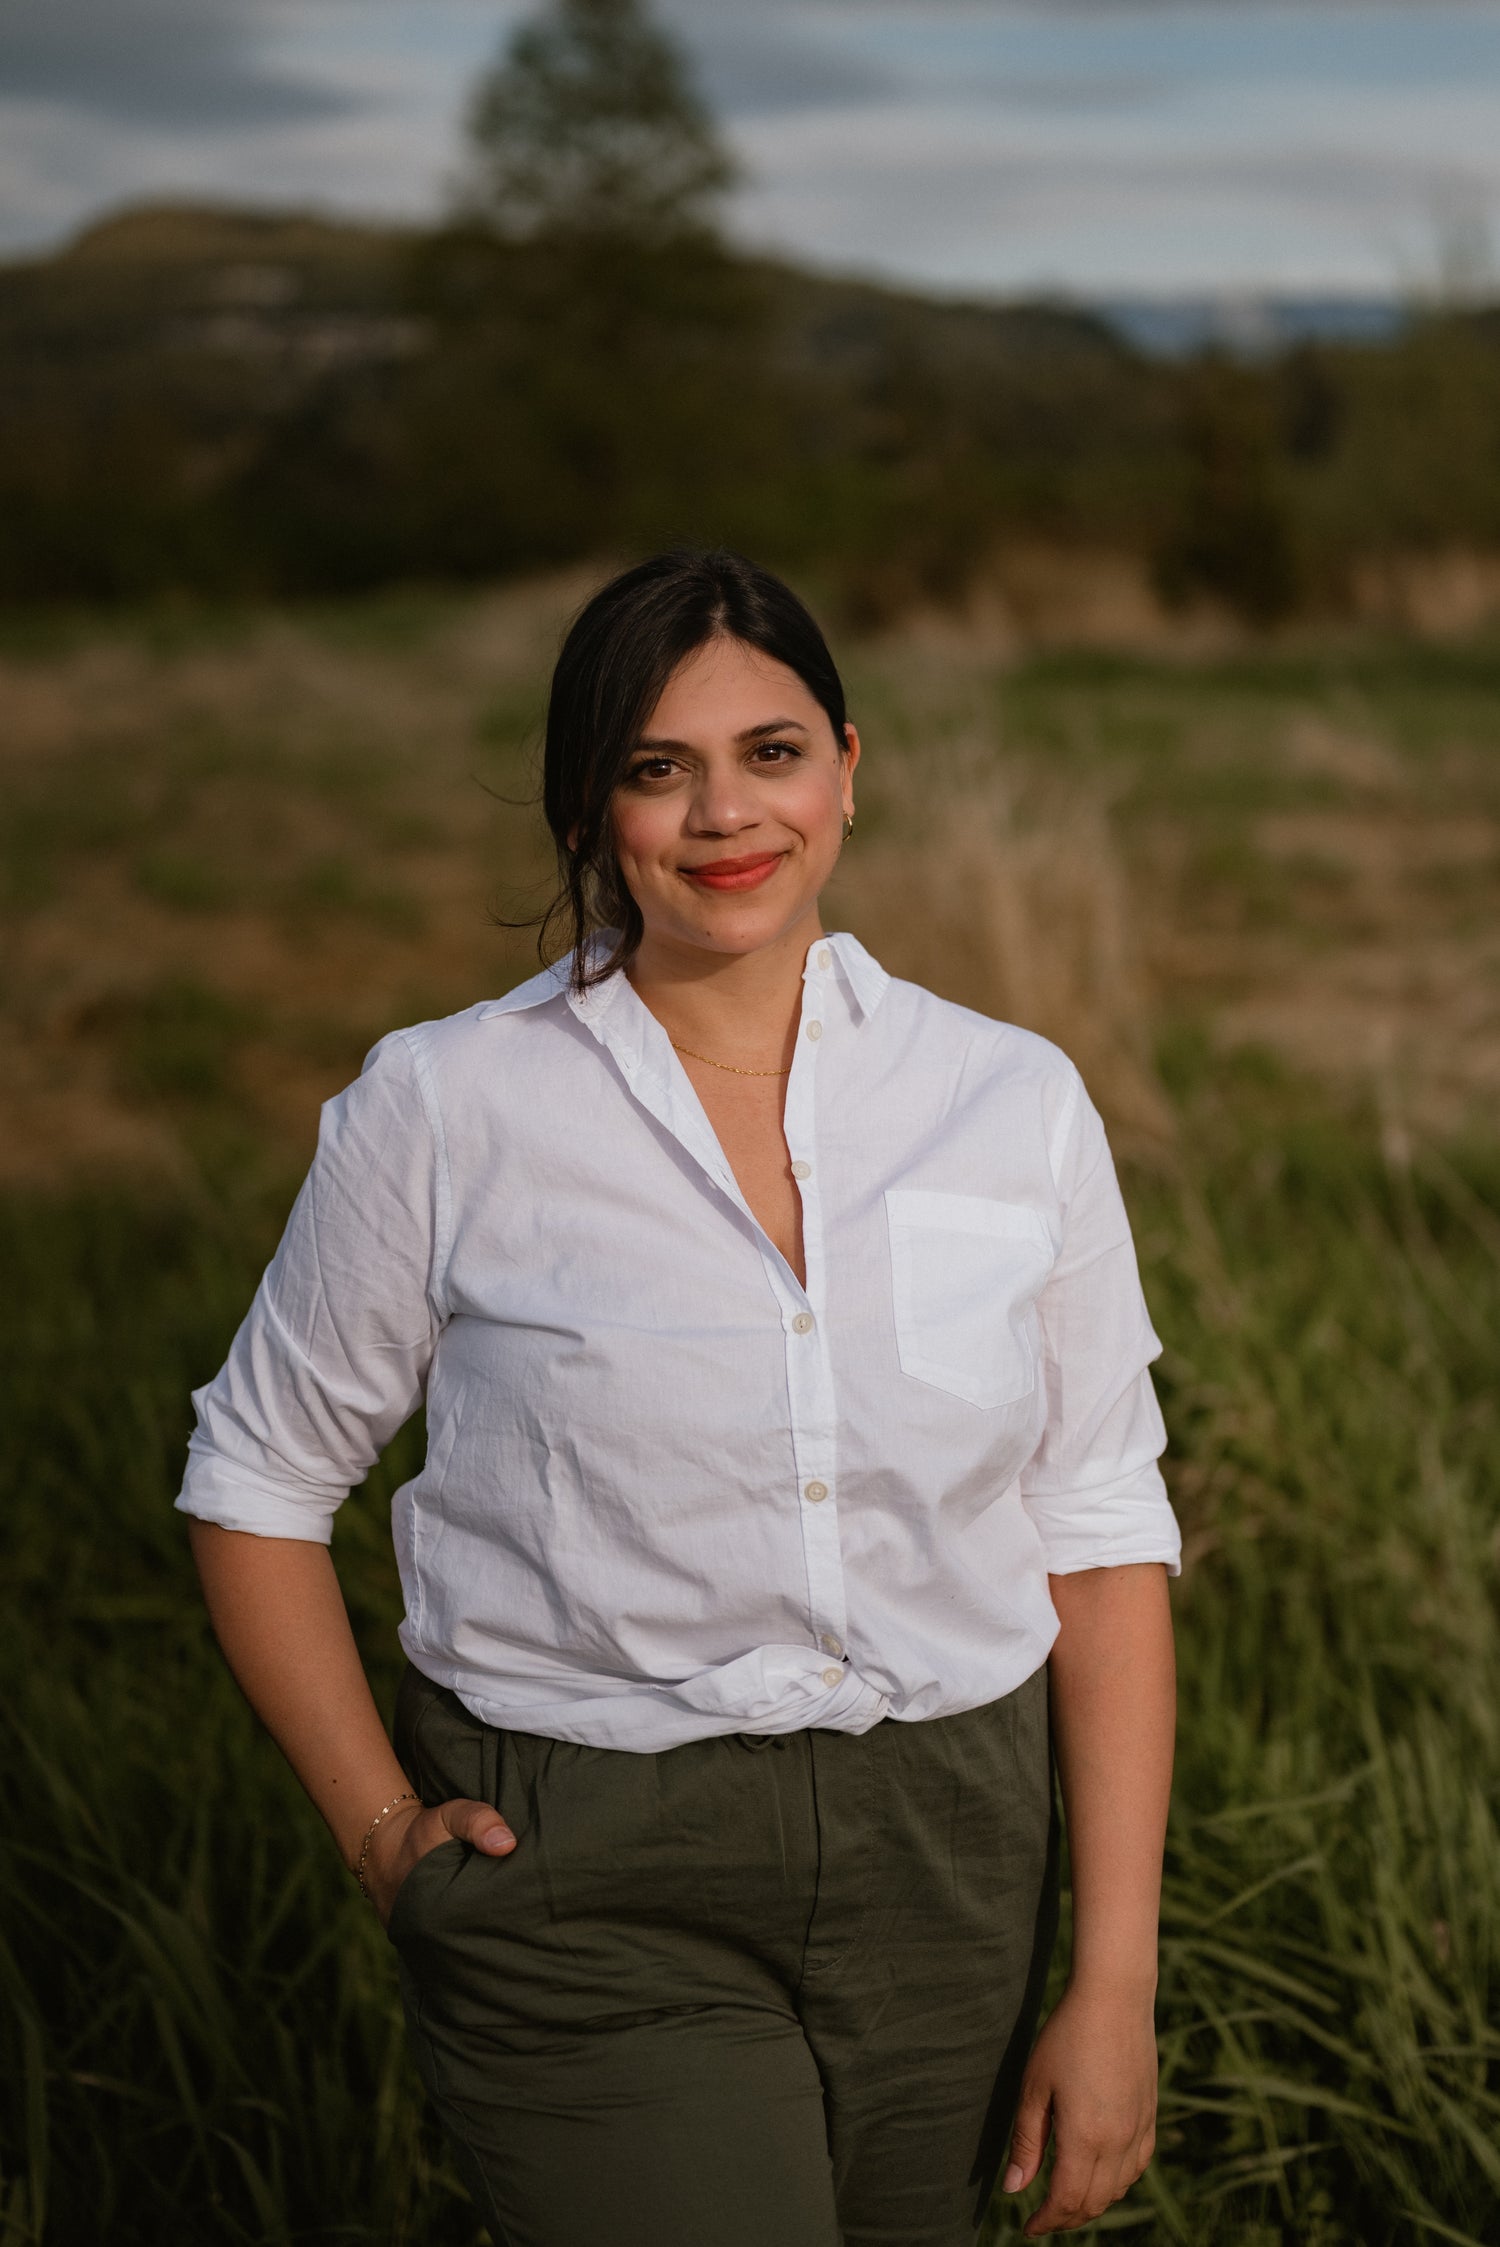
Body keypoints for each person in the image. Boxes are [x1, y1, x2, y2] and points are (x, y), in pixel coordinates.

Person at [179, 547, 1180, 2247]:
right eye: (659, 768)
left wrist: (1117, 1982)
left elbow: (1093, 1526)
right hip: (591, 1863)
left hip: (950, 1850)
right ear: (590, 811)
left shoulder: (1009, 1100)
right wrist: (379, 1838)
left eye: (772, 754)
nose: (727, 814)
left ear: (848, 772)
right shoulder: (448, 1107)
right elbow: (258, 1480)